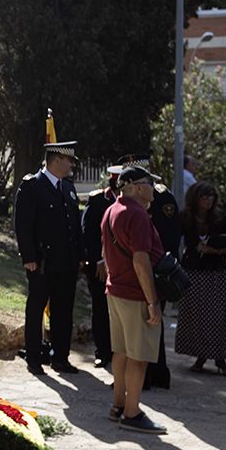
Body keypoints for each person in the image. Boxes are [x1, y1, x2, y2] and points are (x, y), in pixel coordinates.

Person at [101, 166, 168, 435]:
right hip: (135, 293)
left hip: (116, 290)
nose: (154, 189)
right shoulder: (137, 214)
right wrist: (152, 301)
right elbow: (141, 260)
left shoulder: (112, 209)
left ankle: (118, 405)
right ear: (138, 187)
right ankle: (132, 412)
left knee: (121, 352)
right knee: (139, 357)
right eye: (151, 183)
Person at [13, 140, 83, 375]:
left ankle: (60, 357)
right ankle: (34, 357)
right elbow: (23, 225)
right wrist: (29, 256)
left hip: (66, 262)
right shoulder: (33, 185)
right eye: (69, 160)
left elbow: (74, 226)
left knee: (64, 311)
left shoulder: (67, 187)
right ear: (56, 160)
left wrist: (79, 257)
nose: (71, 164)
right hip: (42, 262)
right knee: (36, 309)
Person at [113, 153, 179, 390]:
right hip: (138, 270)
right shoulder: (125, 206)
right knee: (137, 335)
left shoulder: (162, 196)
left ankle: (156, 373)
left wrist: (163, 264)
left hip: (157, 268)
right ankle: (143, 379)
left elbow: (170, 234)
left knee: (152, 327)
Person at [176, 181, 226, 377]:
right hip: (193, 271)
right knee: (195, 316)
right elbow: (172, 237)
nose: (208, 201)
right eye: (204, 197)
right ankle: (200, 357)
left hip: (216, 272)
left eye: (211, 197)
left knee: (217, 317)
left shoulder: (219, 218)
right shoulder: (186, 217)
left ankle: (220, 359)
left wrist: (217, 250)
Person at [81, 167, 119, 369]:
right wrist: (98, 260)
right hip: (100, 266)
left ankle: (118, 351)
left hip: (123, 268)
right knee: (101, 309)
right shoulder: (98, 200)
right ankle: (102, 351)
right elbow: (88, 233)